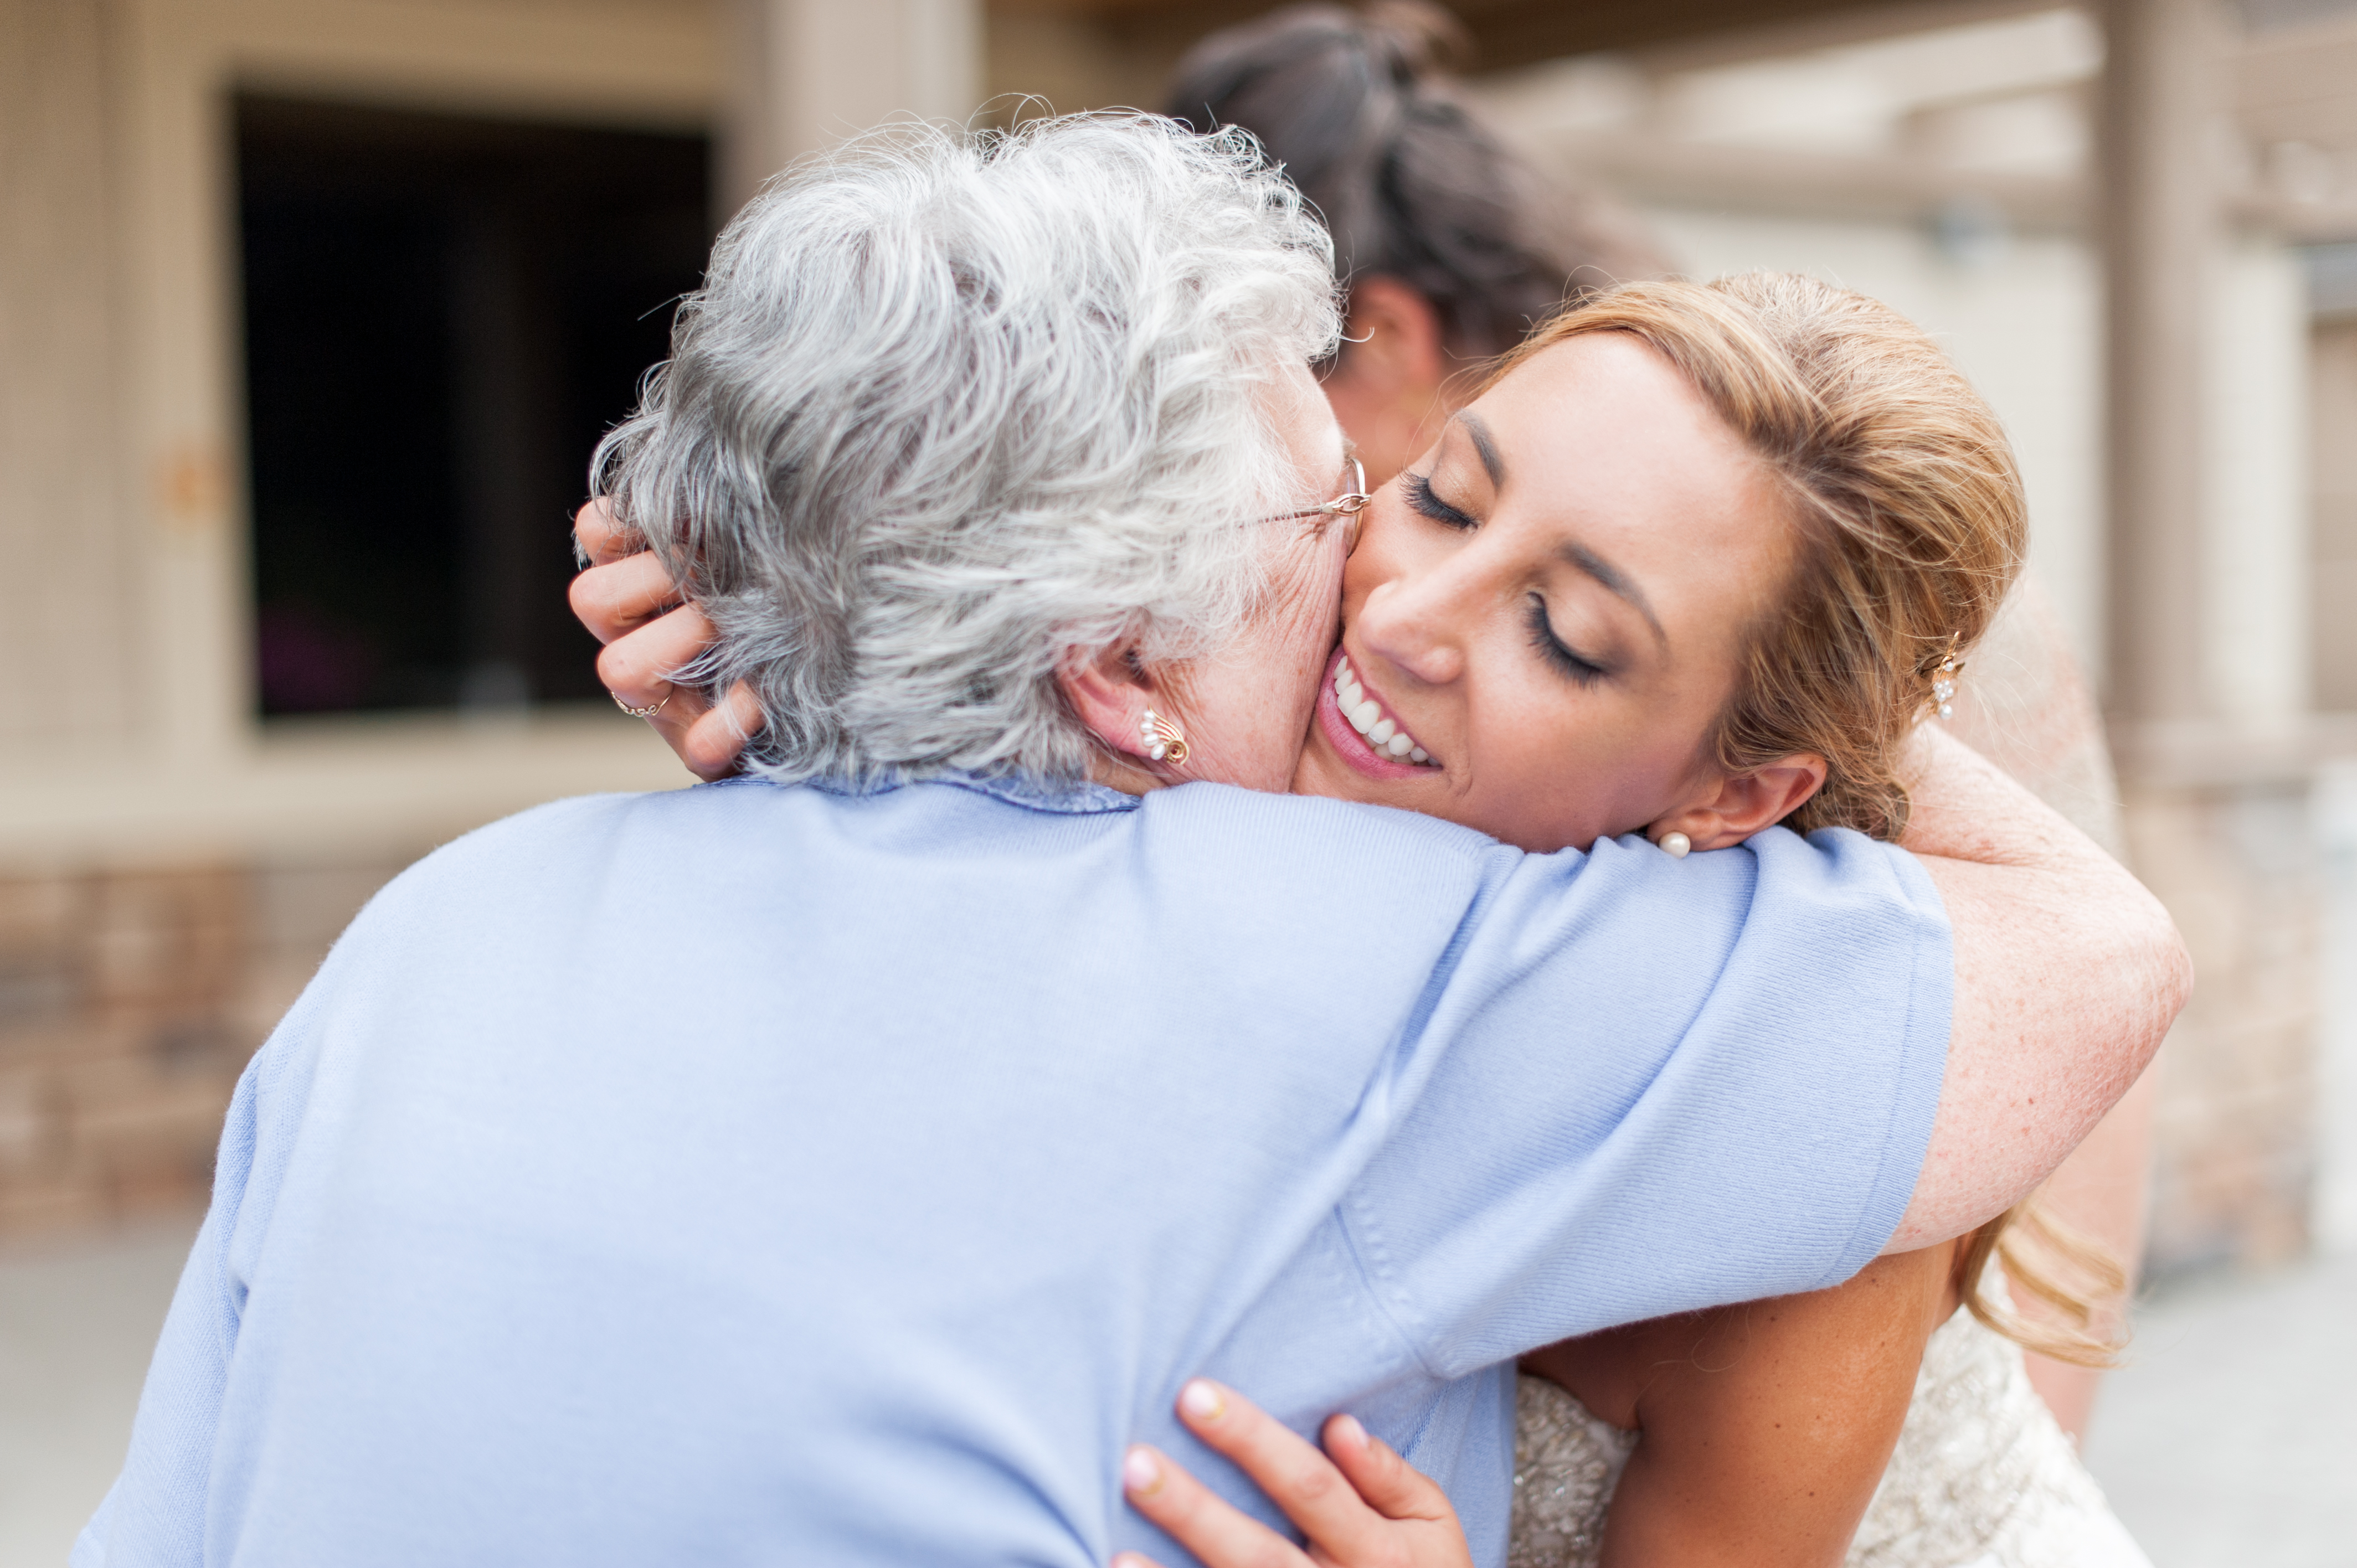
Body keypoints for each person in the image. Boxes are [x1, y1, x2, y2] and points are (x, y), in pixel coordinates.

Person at [82, 117, 2181, 1568]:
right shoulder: (1289, 929)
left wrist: (1804, 660)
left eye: (1569, 622)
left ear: (1740, 790)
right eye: (1412, 496)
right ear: (1116, 674)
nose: (1401, 598)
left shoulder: (458, 918)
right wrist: (849, 644)